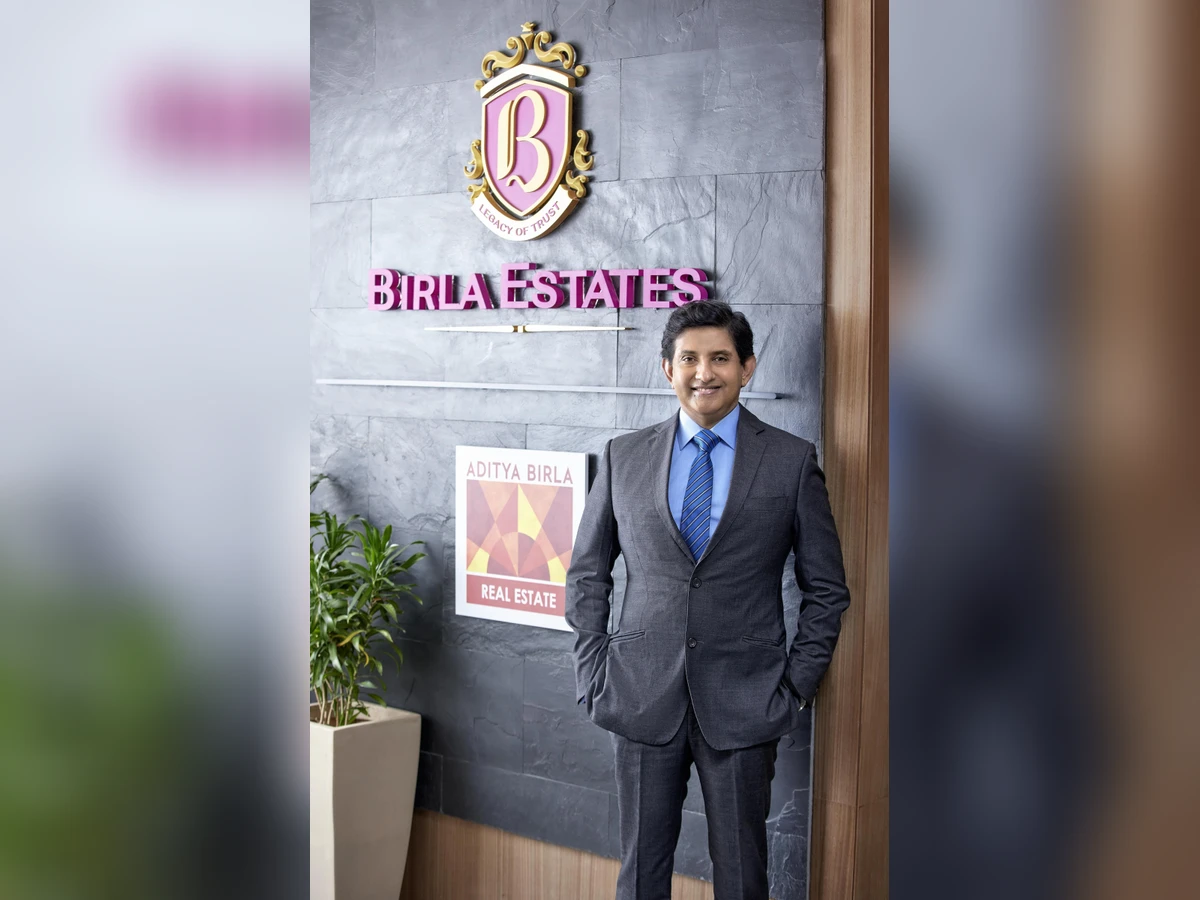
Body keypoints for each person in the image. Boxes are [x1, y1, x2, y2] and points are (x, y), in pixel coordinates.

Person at [567, 301, 850, 900]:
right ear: (666, 368)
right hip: (640, 695)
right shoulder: (624, 456)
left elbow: (826, 589)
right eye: (689, 358)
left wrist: (795, 687)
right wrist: (593, 673)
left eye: (720, 358)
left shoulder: (791, 460)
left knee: (743, 877)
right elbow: (588, 574)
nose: (704, 372)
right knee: (640, 875)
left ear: (747, 368)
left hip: (747, 701)